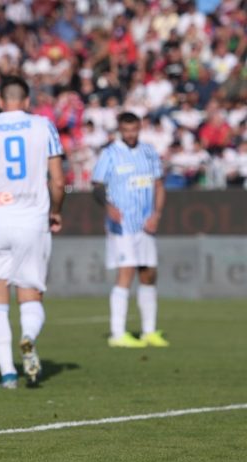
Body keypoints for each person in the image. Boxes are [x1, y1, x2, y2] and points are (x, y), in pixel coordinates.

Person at [0, 76, 65, 389]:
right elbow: (58, 182)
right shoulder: (44, 127)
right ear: (28, 101)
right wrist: (56, 211)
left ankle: (7, 373)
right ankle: (28, 338)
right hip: (32, 218)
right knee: (31, 295)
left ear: (0, 102)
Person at [91, 112, 169, 348]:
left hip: (145, 224)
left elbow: (158, 185)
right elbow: (96, 186)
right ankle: (117, 333)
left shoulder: (149, 152)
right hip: (121, 224)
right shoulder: (110, 153)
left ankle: (149, 331)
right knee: (126, 272)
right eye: (126, 130)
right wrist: (108, 206)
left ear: (139, 128)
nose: (130, 134)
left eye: (134, 129)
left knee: (148, 273)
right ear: (119, 130)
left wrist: (156, 214)